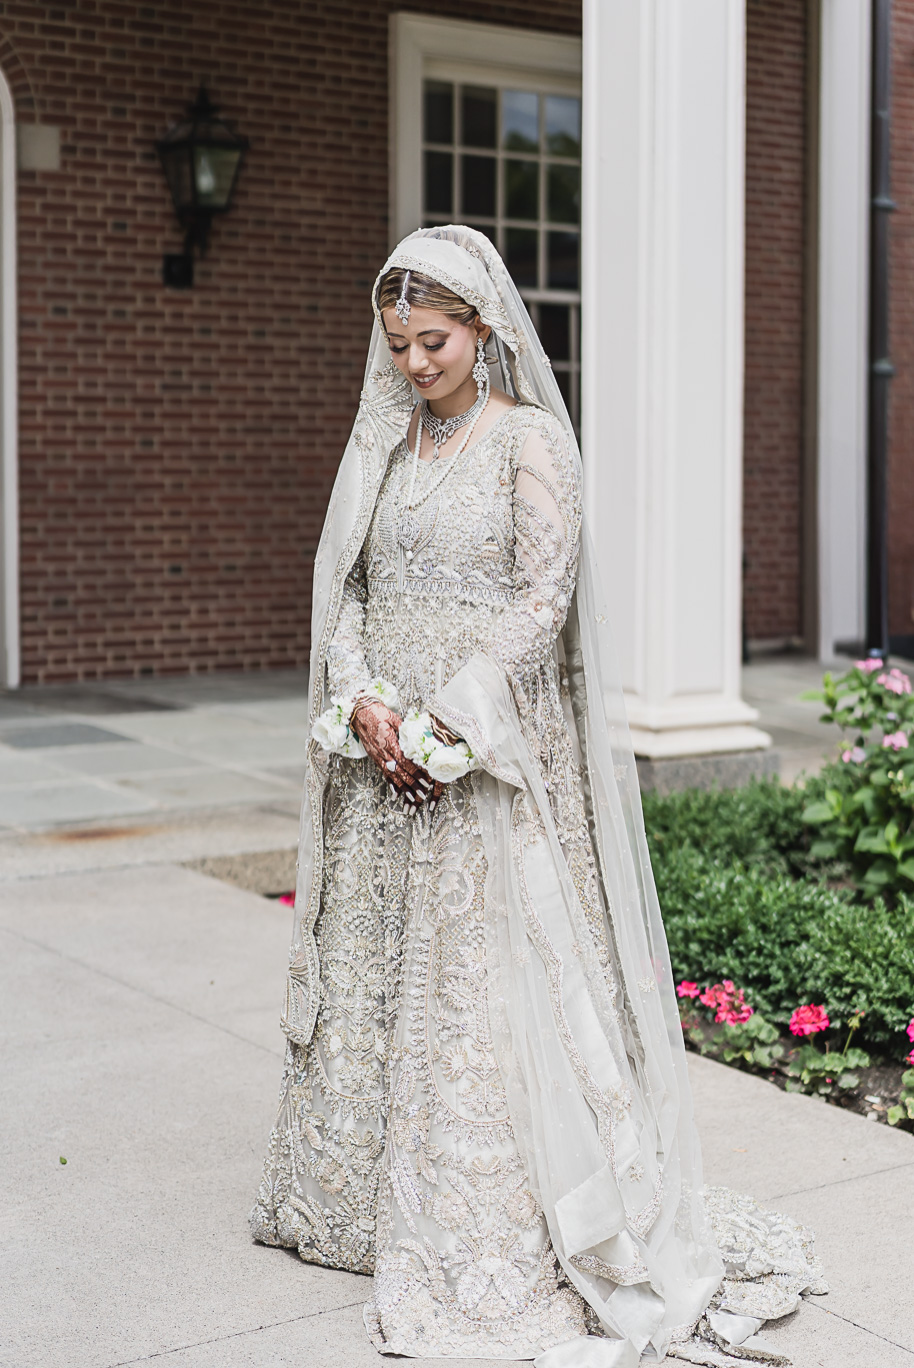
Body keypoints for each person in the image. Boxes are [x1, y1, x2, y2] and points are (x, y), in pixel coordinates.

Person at [251, 225, 825, 1366]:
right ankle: (350, 1203)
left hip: (480, 751)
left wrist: (445, 721)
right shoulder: (385, 446)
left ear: (482, 331)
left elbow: (540, 598)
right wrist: (364, 699)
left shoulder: (527, 447)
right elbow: (349, 581)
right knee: (374, 969)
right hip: (385, 758)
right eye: (398, 344)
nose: (414, 364)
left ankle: (495, 1209)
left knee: (479, 990)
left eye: (433, 341)